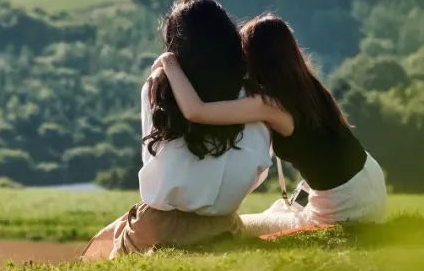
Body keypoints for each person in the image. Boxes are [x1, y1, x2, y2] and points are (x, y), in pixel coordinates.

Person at [154, 12, 387, 235]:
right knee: (276, 210)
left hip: (347, 206)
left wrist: (169, 62)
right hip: (369, 182)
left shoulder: (270, 103)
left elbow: (196, 112)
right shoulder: (308, 86)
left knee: (241, 227)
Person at [82, 0, 272, 259]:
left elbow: (152, 159)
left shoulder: (158, 88)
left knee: (101, 250)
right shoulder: (252, 95)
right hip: (221, 226)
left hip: (159, 226)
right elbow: (259, 164)